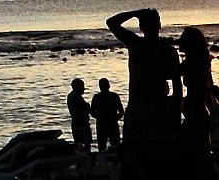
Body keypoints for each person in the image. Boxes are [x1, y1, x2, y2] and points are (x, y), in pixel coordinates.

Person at [105, 9, 178, 139]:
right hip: (151, 107)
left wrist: (135, 13)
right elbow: (177, 87)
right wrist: (175, 115)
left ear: (141, 27)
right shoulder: (167, 50)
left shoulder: (136, 44)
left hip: (145, 107)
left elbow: (112, 22)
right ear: (159, 25)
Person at [89, 79, 123, 154]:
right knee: (107, 146)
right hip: (106, 124)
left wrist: (113, 119)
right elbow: (121, 111)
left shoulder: (98, 97)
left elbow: (92, 112)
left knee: (112, 146)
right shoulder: (113, 96)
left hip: (108, 124)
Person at [67, 79, 89, 153]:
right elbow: (86, 108)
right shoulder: (76, 97)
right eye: (82, 86)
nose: (84, 88)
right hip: (81, 124)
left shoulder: (71, 96)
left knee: (79, 145)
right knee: (85, 146)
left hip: (76, 124)